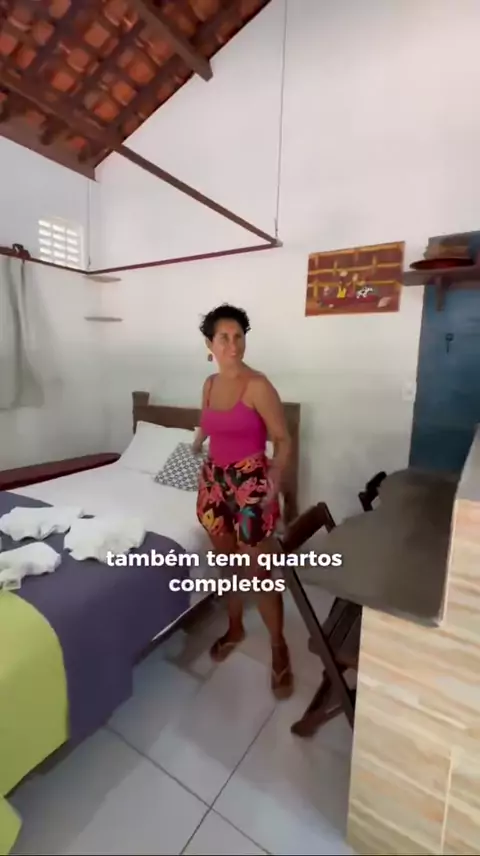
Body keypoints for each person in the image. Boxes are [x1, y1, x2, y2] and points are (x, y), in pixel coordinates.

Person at [193, 303, 293, 699]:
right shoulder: (209, 385)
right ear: (210, 344)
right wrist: (197, 443)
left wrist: (274, 480)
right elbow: (206, 422)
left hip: (250, 484)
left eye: (239, 337)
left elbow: (283, 439)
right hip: (214, 483)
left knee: (258, 572)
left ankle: (279, 646)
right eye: (224, 338)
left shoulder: (258, 386)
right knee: (229, 564)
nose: (233, 345)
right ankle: (235, 628)